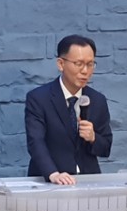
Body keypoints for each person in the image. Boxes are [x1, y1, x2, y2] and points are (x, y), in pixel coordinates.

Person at [25, 34, 113, 185]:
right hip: (50, 182)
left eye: (90, 64)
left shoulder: (97, 100)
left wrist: (93, 137)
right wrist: (53, 174)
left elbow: (105, 148)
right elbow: (36, 142)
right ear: (61, 64)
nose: (85, 71)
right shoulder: (39, 98)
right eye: (79, 64)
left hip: (88, 182)